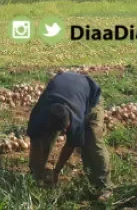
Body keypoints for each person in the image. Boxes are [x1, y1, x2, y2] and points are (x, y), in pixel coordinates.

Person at [26, 71, 113, 199]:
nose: (64, 134)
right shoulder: (38, 118)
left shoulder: (76, 120)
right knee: (42, 138)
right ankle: (37, 176)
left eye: (65, 130)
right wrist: (36, 168)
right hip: (66, 87)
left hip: (90, 95)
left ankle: (104, 186)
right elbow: (35, 141)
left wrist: (57, 171)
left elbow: (69, 146)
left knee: (92, 141)